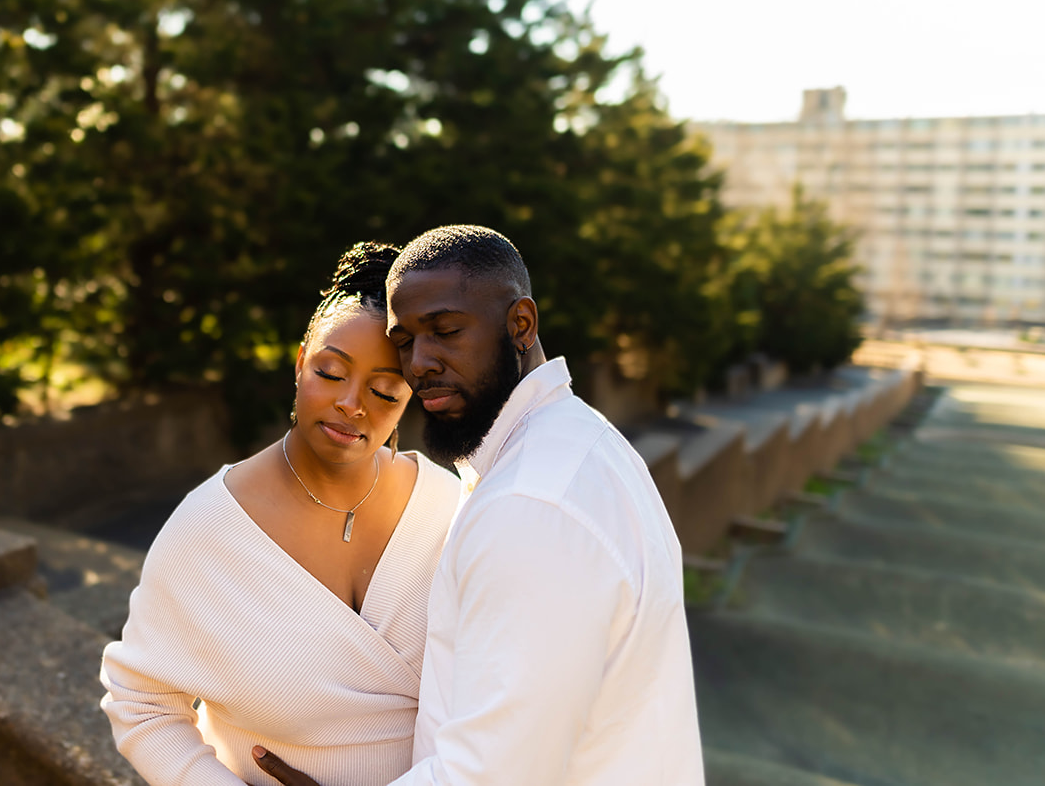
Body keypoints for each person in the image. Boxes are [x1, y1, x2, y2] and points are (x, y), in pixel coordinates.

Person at [253, 225, 704, 786]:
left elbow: (495, 773)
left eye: (445, 331)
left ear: (520, 325)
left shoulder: (532, 504)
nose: (420, 363)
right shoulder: (581, 442)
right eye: (405, 341)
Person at [101, 242, 464, 786]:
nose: (352, 404)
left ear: (410, 398)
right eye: (331, 372)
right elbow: (141, 703)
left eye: (385, 391)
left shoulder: (451, 508)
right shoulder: (209, 528)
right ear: (300, 364)